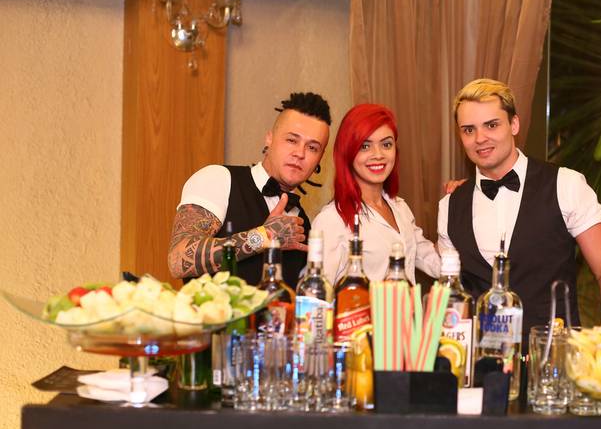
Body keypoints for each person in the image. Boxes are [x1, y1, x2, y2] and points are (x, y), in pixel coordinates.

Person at [437, 78, 601, 331]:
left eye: (491, 125)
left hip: (553, 351)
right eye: (468, 130)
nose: (480, 138)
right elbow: (453, 296)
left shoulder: (566, 185)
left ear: (514, 124)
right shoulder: (450, 206)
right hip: (481, 354)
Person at [167, 92, 331, 288]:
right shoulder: (219, 178)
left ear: (320, 159)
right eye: (291, 140)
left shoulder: (303, 223)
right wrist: (263, 236)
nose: (300, 153)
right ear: (269, 138)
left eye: (312, 148)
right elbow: (178, 260)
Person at [312, 104, 441, 285]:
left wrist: (460, 199)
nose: (378, 155)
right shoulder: (331, 220)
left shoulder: (399, 207)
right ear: (348, 151)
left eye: (386, 144)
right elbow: (317, 294)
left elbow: (436, 264)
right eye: (365, 146)